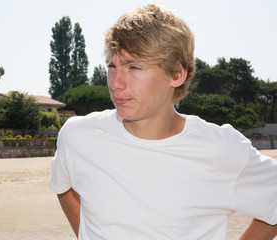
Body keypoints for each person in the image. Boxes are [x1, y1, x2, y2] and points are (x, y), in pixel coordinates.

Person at [49, 3, 277, 239]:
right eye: (112, 66)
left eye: (134, 67)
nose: (115, 82)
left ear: (177, 74)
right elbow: (63, 187)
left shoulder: (222, 150)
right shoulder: (77, 136)